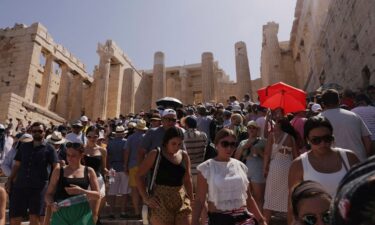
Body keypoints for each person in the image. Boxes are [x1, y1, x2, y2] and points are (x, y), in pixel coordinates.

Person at [288, 116, 359, 224]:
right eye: (316, 140)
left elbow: (363, 191)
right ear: (307, 140)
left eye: (327, 138)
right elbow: (291, 203)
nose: (323, 143)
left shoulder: (349, 157)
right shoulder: (299, 164)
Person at [193, 128, 266, 225]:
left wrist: (261, 220)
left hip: (243, 219)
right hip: (219, 219)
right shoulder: (206, 168)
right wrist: (194, 222)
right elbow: (199, 200)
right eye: (225, 144)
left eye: (233, 144)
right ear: (216, 145)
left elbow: (248, 197)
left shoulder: (240, 166)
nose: (229, 148)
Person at [136, 127, 193, 225]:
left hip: (181, 198)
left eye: (180, 144)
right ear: (166, 142)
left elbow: (187, 179)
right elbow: (139, 176)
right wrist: (146, 197)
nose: (177, 147)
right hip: (160, 199)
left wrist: (192, 200)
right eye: (173, 143)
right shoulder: (156, 154)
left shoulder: (184, 156)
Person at [6, 122, 58, 225]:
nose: (37, 133)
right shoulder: (24, 146)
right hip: (20, 186)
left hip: (39, 188)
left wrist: (52, 186)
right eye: (34, 131)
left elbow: (56, 167)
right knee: (14, 217)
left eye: (40, 131)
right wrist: (10, 179)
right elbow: (17, 165)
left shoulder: (50, 148)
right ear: (31, 132)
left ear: (44, 132)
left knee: (35, 219)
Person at [45, 142, 100, 225]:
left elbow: (97, 195)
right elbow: (48, 194)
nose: (70, 158)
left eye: (73, 155)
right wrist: (52, 204)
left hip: (82, 212)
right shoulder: (58, 171)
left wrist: (81, 191)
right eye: (68, 155)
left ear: (82, 155)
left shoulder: (89, 171)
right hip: (61, 212)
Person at [263, 117, 299, 223]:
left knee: (269, 197)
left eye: (276, 124)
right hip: (288, 167)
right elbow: (296, 156)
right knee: (287, 199)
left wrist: (264, 169)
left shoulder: (272, 135)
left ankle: (266, 222)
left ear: (280, 125)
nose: (274, 125)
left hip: (275, 167)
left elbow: (266, 154)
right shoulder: (291, 137)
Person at [320, 89, 372, 161]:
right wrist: (364, 157)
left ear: (323, 104)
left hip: (334, 165)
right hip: (358, 161)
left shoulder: (318, 120)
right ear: (339, 101)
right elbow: (367, 140)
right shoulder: (354, 115)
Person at [235, 121, 267, 211]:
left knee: (259, 197)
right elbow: (236, 158)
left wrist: (258, 152)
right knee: (246, 197)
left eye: (254, 128)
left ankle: (258, 219)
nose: (251, 129)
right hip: (245, 172)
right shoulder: (243, 142)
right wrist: (244, 147)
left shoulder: (264, 141)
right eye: (249, 127)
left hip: (259, 171)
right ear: (247, 129)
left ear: (257, 130)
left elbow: (268, 158)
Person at [124, 119, 148, 219]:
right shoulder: (146, 138)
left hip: (133, 165)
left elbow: (126, 152)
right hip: (145, 165)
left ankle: (137, 211)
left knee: (134, 189)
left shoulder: (130, 138)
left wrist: (125, 165)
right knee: (144, 189)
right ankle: (145, 211)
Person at [84, 126, 108, 223]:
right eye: (90, 136)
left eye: (95, 136)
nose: (92, 139)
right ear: (86, 136)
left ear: (98, 137)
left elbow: (103, 168)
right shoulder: (81, 149)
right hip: (85, 182)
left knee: (96, 212)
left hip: (99, 181)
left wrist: (108, 174)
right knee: (88, 211)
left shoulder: (102, 150)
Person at [106, 125, 130, 219]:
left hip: (112, 169)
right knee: (124, 191)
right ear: (123, 133)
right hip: (124, 169)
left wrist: (108, 168)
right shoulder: (126, 142)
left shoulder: (110, 143)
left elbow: (108, 157)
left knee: (112, 191)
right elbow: (126, 154)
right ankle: (123, 212)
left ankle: (112, 212)